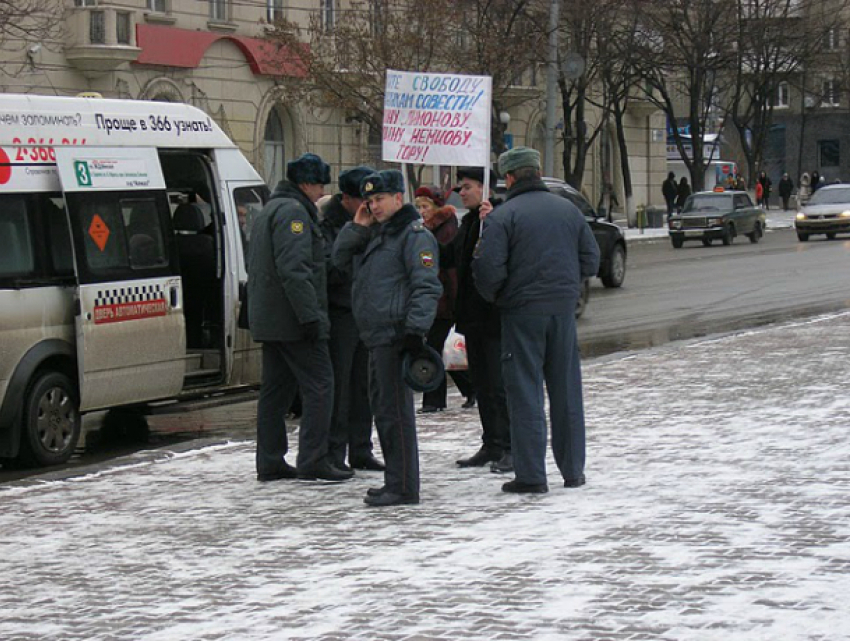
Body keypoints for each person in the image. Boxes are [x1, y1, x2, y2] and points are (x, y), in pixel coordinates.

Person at [472, 147, 600, 494]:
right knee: (566, 392)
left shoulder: (504, 216)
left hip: (521, 313)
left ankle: (531, 475)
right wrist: (566, 285)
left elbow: (487, 270)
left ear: (510, 177)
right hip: (562, 311)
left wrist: (498, 296)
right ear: (538, 172)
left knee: (525, 392)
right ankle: (573, 471)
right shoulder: (568, 211)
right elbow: (591, 259)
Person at [333, 169, 442, 507]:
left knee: (396, 414)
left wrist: (415, 332)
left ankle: (404, 486)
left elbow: (426, 285)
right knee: (383, 411)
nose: (374, 205)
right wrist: (358, 225)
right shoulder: (377, 234)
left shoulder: (414, 235)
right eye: (370, 200)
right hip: (375, 335)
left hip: (396, 336)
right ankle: (396, 480)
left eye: (380, 199)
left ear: (399, 198)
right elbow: (338, 260)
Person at [247, 152, 353, 483]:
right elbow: (295, 270)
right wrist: (311, 318)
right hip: (293, 320)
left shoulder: (271, 209)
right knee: (321, 384)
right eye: (320, 185)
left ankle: (270, 460)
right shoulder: (294, 213)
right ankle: (313, 458)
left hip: (273, 320)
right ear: (306, 183)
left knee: (276, 391)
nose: (322, 193)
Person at [442, 167, 513, 473]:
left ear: (484, 188)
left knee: (499, 386)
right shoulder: (468, 222)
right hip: (471, 317)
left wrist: (492, 222)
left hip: (494, 317)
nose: (462, 192)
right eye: (461, 187)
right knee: (482, 385)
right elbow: (449, 257)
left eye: (468, 186)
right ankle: (491, 443)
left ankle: (510, 446)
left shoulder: (498, 218)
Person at [319, 165, 385, 473]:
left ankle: (361, 449)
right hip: (341, 313)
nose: (369, 206)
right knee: (341, 386)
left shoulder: (377, 222)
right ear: (346, 197)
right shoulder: (328, 225)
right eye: (363, 199)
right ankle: (334, 450)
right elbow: (331, 270)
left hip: (366, 312)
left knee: (364, 386)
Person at [414, 184, 476, 414]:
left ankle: (433, 401)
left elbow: (451, 272)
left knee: (434, 348)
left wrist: (453, 302)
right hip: (434, 301)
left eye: (425, 206)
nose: (421, 211)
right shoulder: (426, 229)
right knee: (445, 350)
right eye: (418, 206)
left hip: (443, 302)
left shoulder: (446, 230)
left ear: (436, 206)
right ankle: (472, 389)